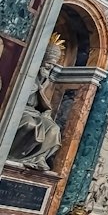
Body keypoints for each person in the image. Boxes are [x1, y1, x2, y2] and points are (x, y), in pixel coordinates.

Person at [6, 38, 64, 171]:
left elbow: (42, 102)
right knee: (29, 125)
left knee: (54, 129)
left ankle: (37, 158)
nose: (50, 67)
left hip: (34, 112)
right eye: (48, 63)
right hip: (17, 109)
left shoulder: (44, 79)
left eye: (53, 65)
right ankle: (12, 156)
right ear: (41, 61)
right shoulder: (25, 73)